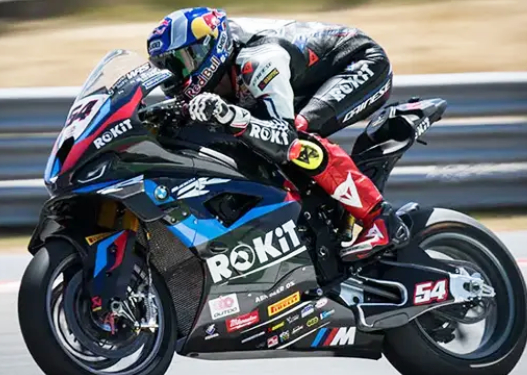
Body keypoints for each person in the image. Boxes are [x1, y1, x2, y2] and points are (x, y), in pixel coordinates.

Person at [146, 7, 409, 262]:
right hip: (304, 75)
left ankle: (380, 218)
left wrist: (230, 115)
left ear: (207, 49)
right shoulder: (224, 61)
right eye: (166, 68)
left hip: (358, 64)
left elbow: (284, 137)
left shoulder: (259, 60)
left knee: (297, 137)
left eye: (181, 63)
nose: (175, 76)